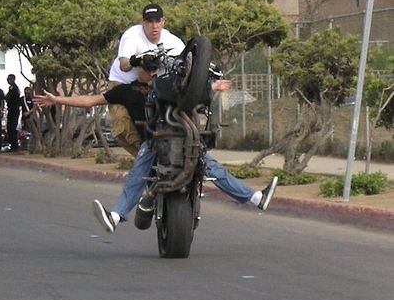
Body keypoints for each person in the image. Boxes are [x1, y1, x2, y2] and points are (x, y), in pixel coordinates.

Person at [34, 68, 278, 234]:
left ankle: (256, 198)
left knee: (210, 166)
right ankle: (116, 217)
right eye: (145, 65)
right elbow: (91, 100)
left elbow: (193, 89)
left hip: (182, 141)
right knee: (137, 175)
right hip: (151, 142)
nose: (150, 70)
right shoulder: (125, 91)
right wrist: (57, 99)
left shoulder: (168, 85)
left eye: (154, 66)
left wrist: (212, 84)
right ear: (136, 68)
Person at [107, 3, 185, 157]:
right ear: (143, 23)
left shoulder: (174, 42)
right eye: (149, 22)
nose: (154, 26)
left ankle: (175, 153)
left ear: (163, 22)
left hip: (151, 85)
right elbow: (123, 65)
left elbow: (190, 65)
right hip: (122, 83)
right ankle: (147, 159)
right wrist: (135, 61)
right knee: (122, 126)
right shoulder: (132, 35)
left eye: (157, 21)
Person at [5, 74, 21, 151]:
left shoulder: (14, 88)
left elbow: (10, 98)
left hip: (14, 109)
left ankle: (14, 146)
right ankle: (12, 145)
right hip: (11, 109)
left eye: (10, 79)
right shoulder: (11, 88)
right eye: (8, 79)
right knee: (9, 128)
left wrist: (6, 97)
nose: (8, 81)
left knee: (12, 128)